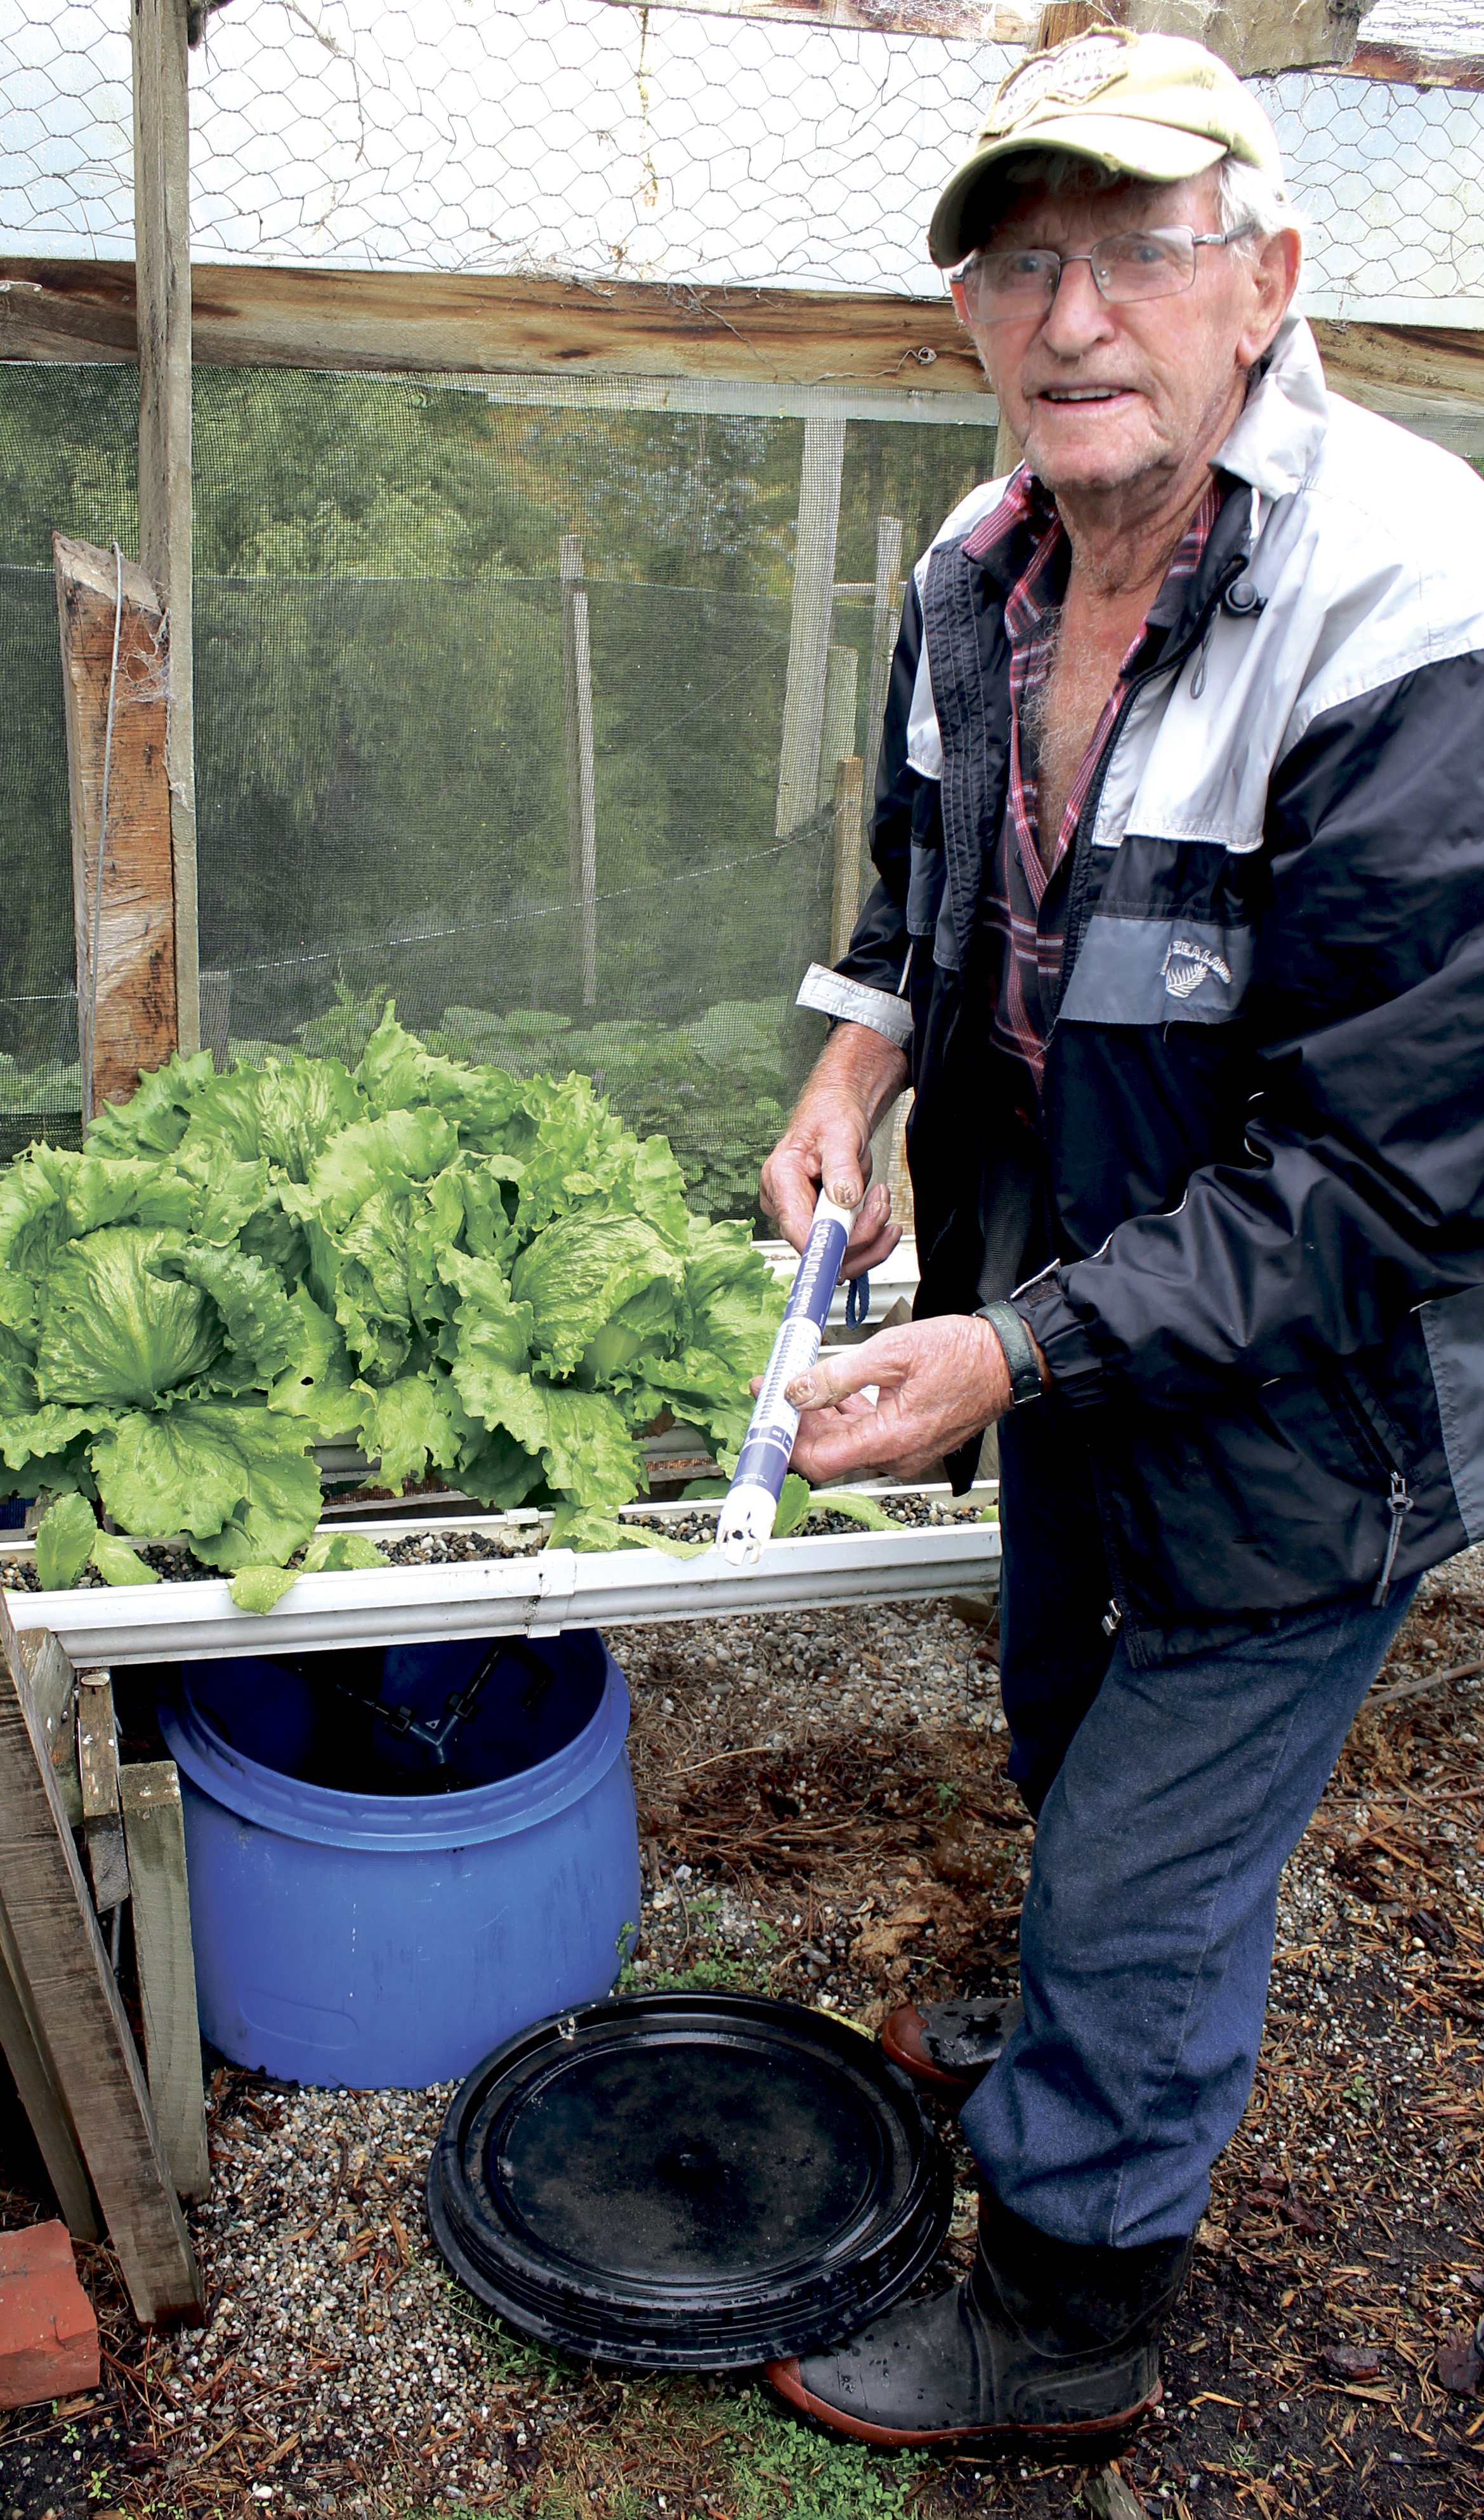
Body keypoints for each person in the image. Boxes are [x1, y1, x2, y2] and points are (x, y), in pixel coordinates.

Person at [759, 25, 1484, 2452]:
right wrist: (853, 1078)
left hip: (1311, 1402)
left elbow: (1389, 1170)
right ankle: (1095, 2008)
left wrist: (1010, 1346)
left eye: (1134, 255)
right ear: (968, 313)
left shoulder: (1412, 601)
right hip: (1064, 1326)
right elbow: (916, 895)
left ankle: (1060, 2331)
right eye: (1016, 261)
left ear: (1263, 280)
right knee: (1074, 1733)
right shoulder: (980, 569)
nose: (1071, 317)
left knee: (1147, 1864)